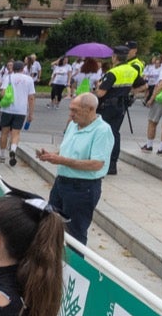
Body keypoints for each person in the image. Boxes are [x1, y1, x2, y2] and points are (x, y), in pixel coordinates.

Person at [36, 93, 113, 244]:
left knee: (74, 233)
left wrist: (62, 160)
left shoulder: (102, 130)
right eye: (70, 110)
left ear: (90, 110)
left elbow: (96, 164)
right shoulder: (73, 124)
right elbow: (68, 150)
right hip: (62, 182)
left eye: (75, 111)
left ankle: (74, 266)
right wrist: (52, 155)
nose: (71, 114)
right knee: (51, 225)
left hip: (82, 188)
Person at [0, 60, 36, 167]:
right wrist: (31, 113)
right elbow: (31, 98)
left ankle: (2, 155)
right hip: (21, 110)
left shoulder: (8, 77)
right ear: (23, 69)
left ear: (13, 68)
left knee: (4, 132)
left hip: (7, 109)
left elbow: (3, 92)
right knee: (16, 133)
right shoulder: (29, 80)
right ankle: (13, 149)